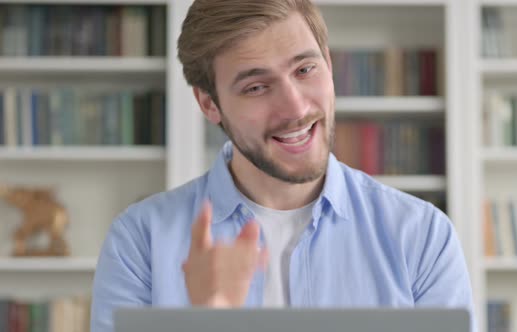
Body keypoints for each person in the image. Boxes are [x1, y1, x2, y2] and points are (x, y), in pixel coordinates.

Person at [90, 0, 476, 331]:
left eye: (305, 70)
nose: (295, 108)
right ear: (209, 104)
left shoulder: (422, 235)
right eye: (256, 87)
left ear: (327, 63)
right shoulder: (140, 242)